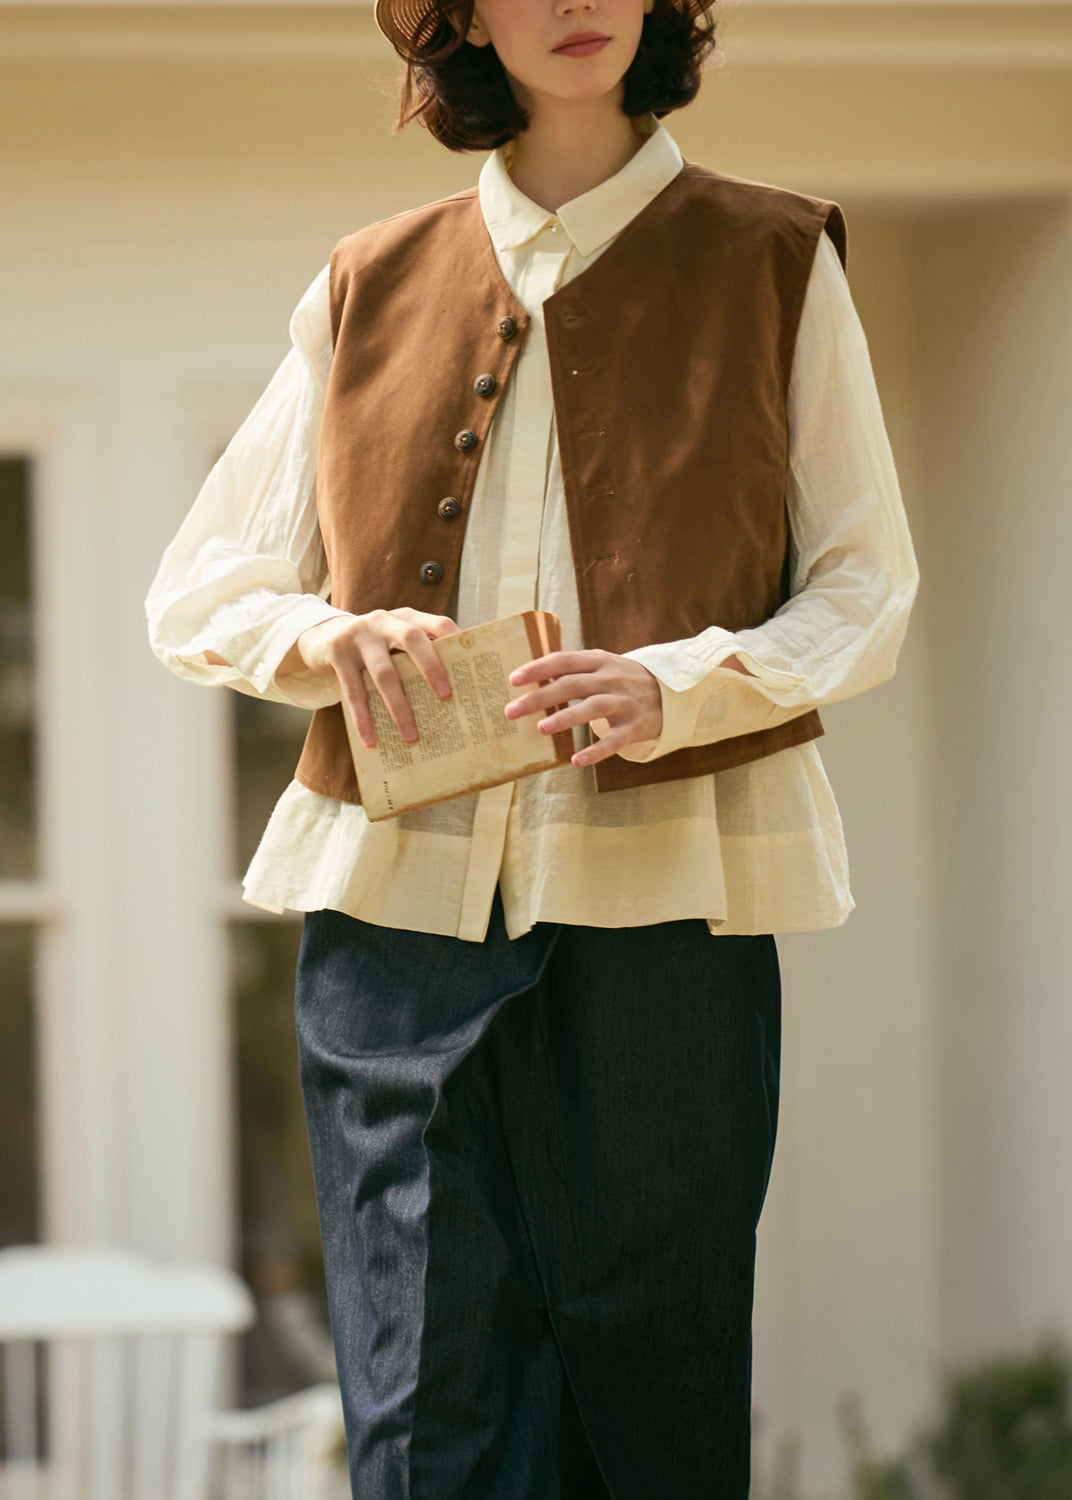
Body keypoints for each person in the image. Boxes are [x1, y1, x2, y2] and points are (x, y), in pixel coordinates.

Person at [145, 0, 919, 1490]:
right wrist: (328, 641)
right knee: (421, 1419)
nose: (574, 3)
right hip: (393, 926)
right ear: (462, 18)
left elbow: (864, 584)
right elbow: (201, 585)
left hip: (661, 910)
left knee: (651, 1406)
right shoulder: (366, 282)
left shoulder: (776, 260)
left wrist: (678, 685)